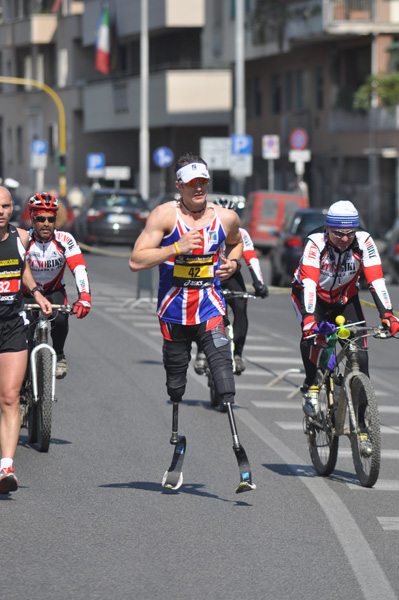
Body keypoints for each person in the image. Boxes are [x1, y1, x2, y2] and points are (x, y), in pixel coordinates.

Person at [129, 152, 255, 491]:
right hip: (173, 313)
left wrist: (231, 263)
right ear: (180, 185)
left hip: (210, 308)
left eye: (204, 183)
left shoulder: (225, 217)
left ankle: (240, 455)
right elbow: (136, 260)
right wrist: (175, 248)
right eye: (192, 183)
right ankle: (175, 438)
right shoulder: (164, 216)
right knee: (175, 381)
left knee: (223, 372)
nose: (199, 189)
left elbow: (237, 242)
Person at [292, 200, 399, 418]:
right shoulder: (315, 242)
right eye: (338, 233)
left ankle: (361, 425)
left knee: (361, 358)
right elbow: (309, 284)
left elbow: (377, 280)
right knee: (314, 340)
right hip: (312, 298)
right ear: (328, 228)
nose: (344, 239)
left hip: (345, 299)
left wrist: (388, 314)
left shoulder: (364, 241)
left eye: (349, 233)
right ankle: (312, 386)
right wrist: (309, 319)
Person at [0, 186, 52, 494]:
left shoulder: (20, 238)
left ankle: (5, 467)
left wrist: (36, 293)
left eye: (6, 206)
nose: (1, 212)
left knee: (9, 396)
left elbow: (23, 272)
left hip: (11, 324)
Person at [194, 196, 268, 375]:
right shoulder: (205, 229)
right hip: (208, 276)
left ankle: (238, 354)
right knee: (202, 313)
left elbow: (251, 258)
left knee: (241, 310)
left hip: (232, 276)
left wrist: (259, 282)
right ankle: (201, 351)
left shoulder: (241, 233)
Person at [23, 192, 91, 378]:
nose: (46, 223)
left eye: (51, 219)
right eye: (41, 218)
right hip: (27, 293)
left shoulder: (65, 239)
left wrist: (84, 296)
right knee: (24, 334)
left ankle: (59, 354)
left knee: (61, 319)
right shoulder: (23, 239)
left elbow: (78, 268)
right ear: (32, 218)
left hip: (54, 291)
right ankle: (21, 392)